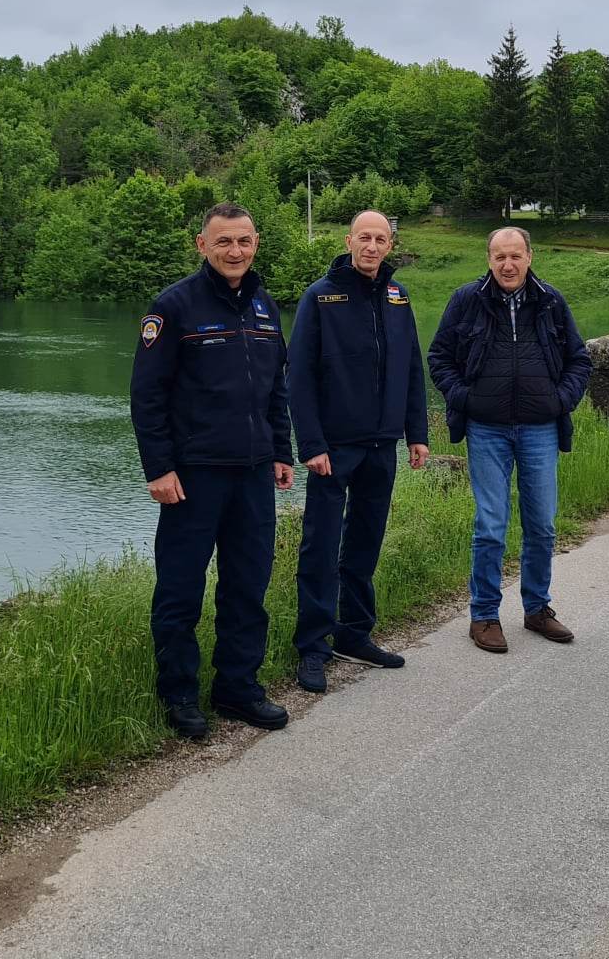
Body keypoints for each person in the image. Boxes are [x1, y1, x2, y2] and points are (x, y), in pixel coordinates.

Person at [130, 202, 296, 739]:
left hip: (253, 474)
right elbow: (147, 396)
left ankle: (237, 688)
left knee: (247, 586)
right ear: (202, 245)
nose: (235, 251)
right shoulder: (173, 306)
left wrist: (281, 451)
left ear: (256, 243)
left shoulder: (265, 307)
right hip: (193, 475)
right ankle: (179, 695)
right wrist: (159, 468)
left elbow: (275, 389)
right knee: (180, 590)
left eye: (244, 241)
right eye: (224, 241)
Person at [427, 226, 592, 654]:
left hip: (540, 428)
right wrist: (466, 398)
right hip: (487, 429)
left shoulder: (550, 301)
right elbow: (439, 357)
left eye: (515, 256)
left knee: (542, 525)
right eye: (500, 257)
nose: (508, 265)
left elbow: (579, 360)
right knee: (491, 525)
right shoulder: (467, 300)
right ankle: (484, 615)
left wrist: (560, 401)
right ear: (489, 259)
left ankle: (537, 608)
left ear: (529, 257)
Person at [288, 210, 431, 694]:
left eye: (380, 239)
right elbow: (298, 376)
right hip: (334, 448)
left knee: (365, 541)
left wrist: (416, 432)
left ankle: (354, 633)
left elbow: (411, 368)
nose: (372, 246)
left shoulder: (397, 297)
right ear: (349, 241)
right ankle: (313, 645)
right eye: (364, 237)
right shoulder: (320, 297)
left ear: (390, 245)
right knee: (321, 545)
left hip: (382, 444)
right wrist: (311, 444)